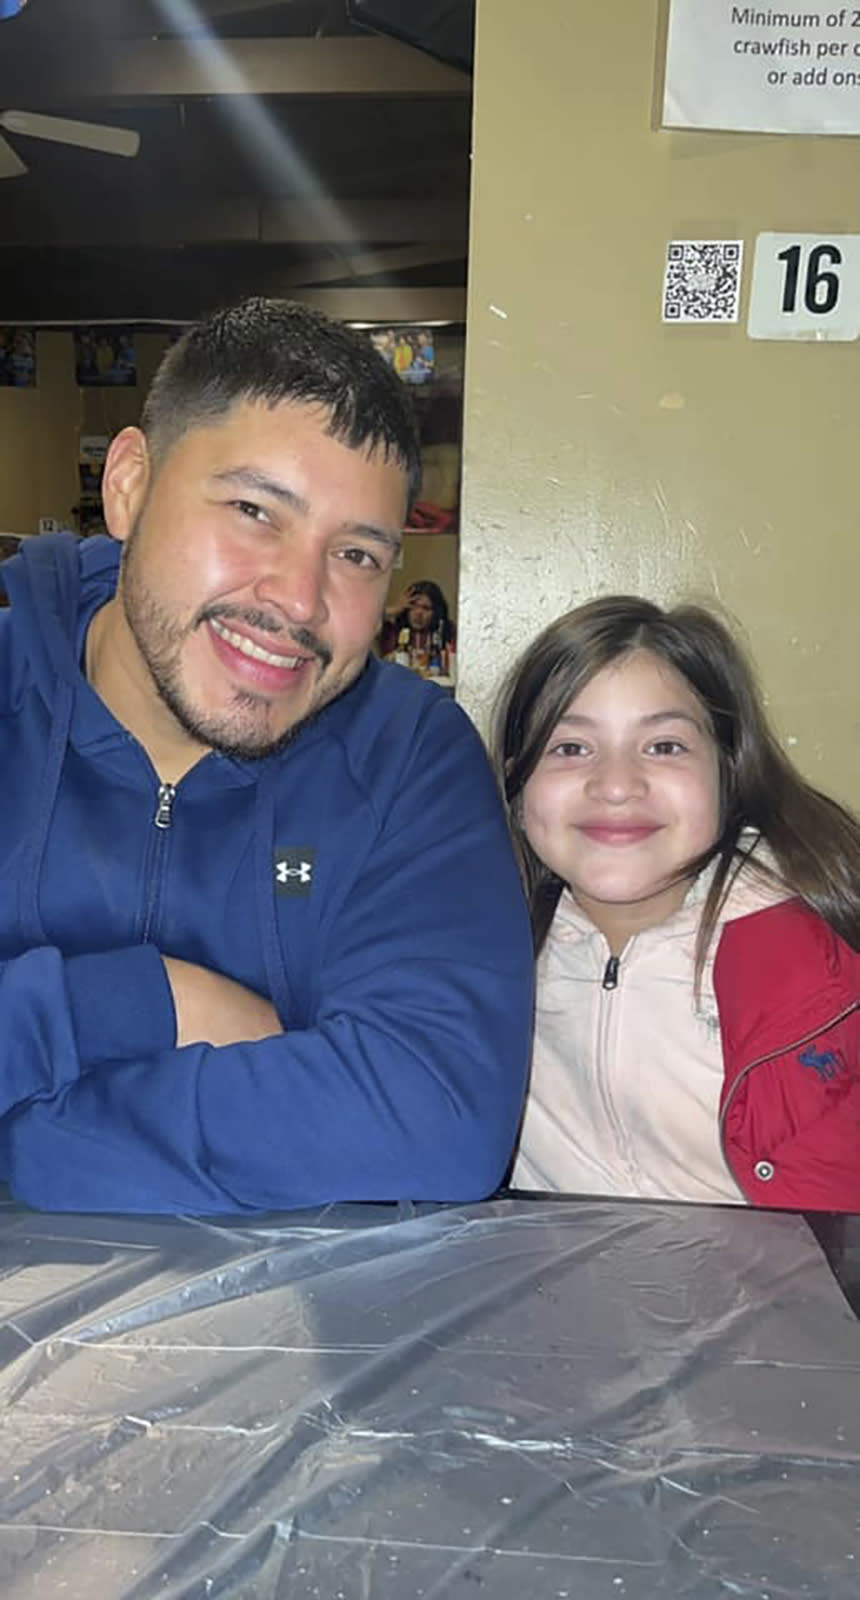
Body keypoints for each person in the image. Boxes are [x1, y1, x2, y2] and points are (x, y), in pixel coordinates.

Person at [0, 297, 533, 1215]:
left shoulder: (410, 757)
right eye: (254, 509)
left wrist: (27, 1136)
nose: (298, 600)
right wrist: (139, 1003)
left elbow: (438, 1115)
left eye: (359, 555)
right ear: (129, 484)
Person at [493, 596, 859, 1212]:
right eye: (570, 747)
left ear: (728, 768)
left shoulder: (824, 956)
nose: (615, 784)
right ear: (516, 780)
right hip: (559, 1297)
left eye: (664, 747)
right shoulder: (481, 949)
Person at [380, 579, 455, 669]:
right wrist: (395, 609)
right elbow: (365, 619)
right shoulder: (392, 631)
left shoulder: (447, 631)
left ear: (436, 612)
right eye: (413, 606)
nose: (418, 613)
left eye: (426, 608)